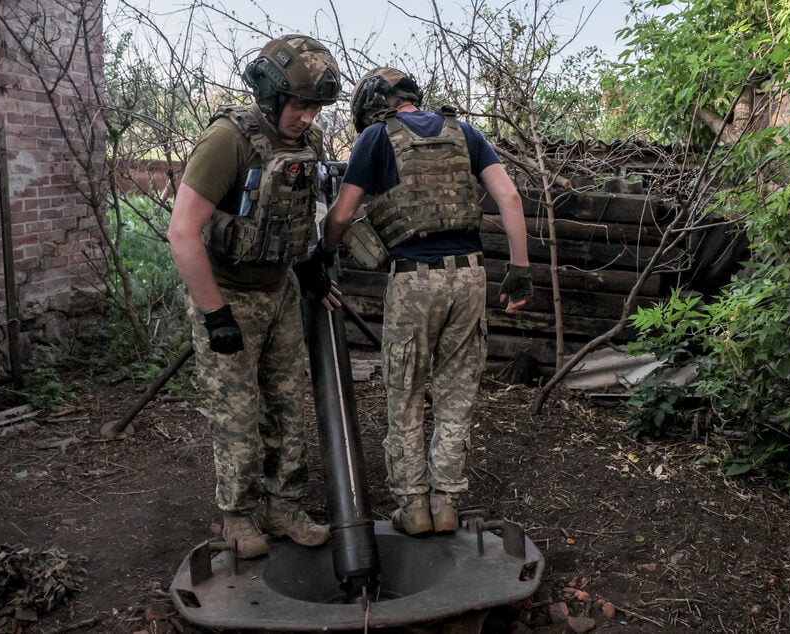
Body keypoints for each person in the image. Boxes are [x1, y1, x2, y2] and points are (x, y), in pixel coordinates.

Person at [319, 67, 533, 535]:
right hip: (471, 277)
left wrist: (323, 250)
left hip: (414, 282)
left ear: (372, 105)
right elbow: (510, 197)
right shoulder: (465, 131)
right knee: (456, 395)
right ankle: (447, 502)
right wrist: (519, 270)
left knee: (405, 391)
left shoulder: (375, 138)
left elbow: (342, 213)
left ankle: (414, 507)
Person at [167, 34, 341, 559]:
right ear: (270, 94)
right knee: (237, 417)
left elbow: (298, 216)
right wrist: (214, 312)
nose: (308, 117)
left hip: (280, 292)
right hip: (228, 294)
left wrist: (309, 266)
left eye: (316, 107)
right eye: (300, 104)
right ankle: (238, 516)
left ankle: (283, 506)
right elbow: (181, 232)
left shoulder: (304, 145)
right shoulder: (228, 139)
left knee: (288, 408)